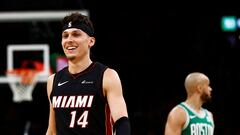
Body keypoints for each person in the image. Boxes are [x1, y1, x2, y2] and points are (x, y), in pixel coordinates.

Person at [45, 12, 131, 135]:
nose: (69, 40)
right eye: (65, 36)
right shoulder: (53, 80)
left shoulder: (107, 76)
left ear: (91, 41)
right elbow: (52, 130)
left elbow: (122, 122)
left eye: (76, 34)